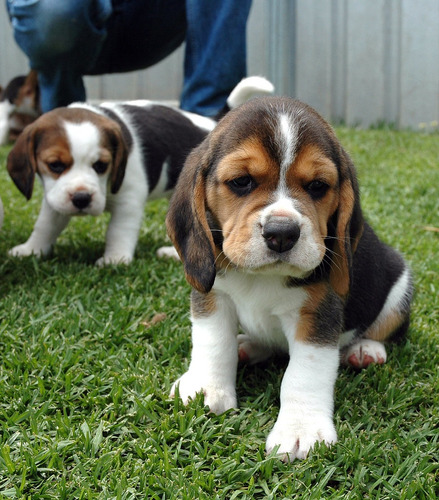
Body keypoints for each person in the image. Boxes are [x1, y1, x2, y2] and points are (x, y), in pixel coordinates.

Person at [5, 0, 252, 117]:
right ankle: (62, 120)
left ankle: (204, 125)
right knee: (54, 10)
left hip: (150, 17)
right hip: (67, 15)